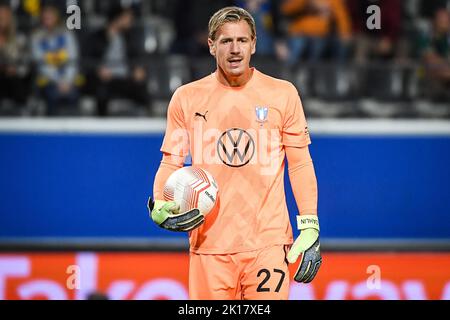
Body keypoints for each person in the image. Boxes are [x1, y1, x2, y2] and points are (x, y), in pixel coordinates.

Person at [148, 6, 321, 300]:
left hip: (268, 243)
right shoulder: (186, 98)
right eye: (226, 41)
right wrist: (160, 203)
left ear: (254, 44)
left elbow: (300, 163)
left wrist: (310, 224)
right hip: (209, 246)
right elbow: (171, 162)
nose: (235, 49)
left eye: (242, 41)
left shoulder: (283, 94)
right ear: (211, 45)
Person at [83, 6, 149, 116]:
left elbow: (136, 57)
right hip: (104, 79)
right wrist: (98, 69)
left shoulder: (129, 37)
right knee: (102, 91)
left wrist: (139, 68)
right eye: (127, 17)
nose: (130, 21)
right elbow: (88, 60)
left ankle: (147, 122)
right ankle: (101, 123)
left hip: (125, 78)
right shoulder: (97, 37)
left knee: (141, 88)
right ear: (117, 18)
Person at [31, 3, 79, 116]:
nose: (48, 20)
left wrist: (67, 80)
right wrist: (58, 81)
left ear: (56, 18)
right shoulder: (36, 37)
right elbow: (40, 63)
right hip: (48, 80)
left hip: (68, 81)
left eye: (50, 17)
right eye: (45, 18)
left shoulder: (67, 35)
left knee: (73, 94)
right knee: (51, 94)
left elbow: (73, 59)